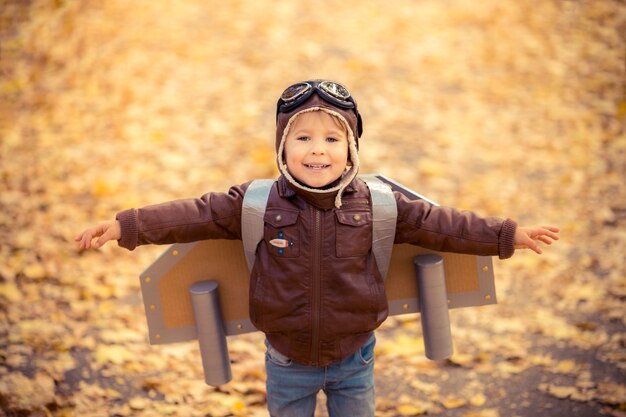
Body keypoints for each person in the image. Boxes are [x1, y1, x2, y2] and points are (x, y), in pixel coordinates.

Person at [76, 79, 559, 417]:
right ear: (282, 149)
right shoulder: (256, 202)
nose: (317, 150)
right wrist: (127, 226)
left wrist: (505, 234)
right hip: (286, 359)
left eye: (332, 139)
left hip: (356, 357)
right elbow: (193, 214)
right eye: (302, 138)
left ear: (351, 151)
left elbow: (445, 225)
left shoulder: (380, 203)